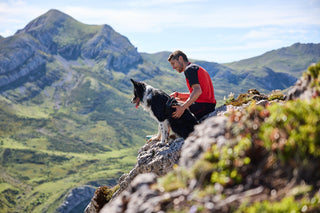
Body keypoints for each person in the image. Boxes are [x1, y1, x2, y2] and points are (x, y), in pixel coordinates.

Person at [167, 50, 216, 120]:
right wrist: (178, 95)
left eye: (173, 63)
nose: (173, 67)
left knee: (172, 107)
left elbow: (197, 91)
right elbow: (196, 94)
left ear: (180, 59)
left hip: (203, 106)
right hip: (207, 105)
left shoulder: (189, 70)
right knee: (176, 100)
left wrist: (182, 108)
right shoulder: (194, 68)